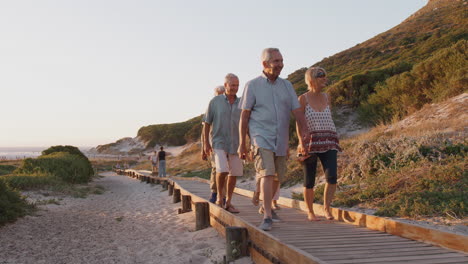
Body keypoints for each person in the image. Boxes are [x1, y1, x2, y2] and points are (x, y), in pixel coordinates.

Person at [238, 48, 310, 231]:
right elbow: (244, 116)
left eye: (281, 60)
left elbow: (297, 112)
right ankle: (268, 215)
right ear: (265, 64)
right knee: (268, 172)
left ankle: (263, 199)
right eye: (276, 61)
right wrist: (242, 144)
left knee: (278, 176)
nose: (280, 64)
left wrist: (305, 132)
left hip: (281, 138)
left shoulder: (287, 85)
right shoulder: (252, 85)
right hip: (260, 136)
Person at [296, 66, 342, 221]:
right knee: (309, 179)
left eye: (325, 75)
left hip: (329, 140)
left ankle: (326, 208)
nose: (325, 78)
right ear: (312, 79)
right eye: (321, 75)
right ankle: (310, 211)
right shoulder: (303, 99)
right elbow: (299, 123)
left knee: (332, 177)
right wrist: (301, 142)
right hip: (310, 143)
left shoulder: (328, 97)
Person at [203, 73, 243, 213]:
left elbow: (246, 124)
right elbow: (207, 123)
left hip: (236, 143)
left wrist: (247, 144)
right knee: (222, 169)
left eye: (237, 85)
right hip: (219, 142)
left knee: (234, 173)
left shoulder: (242, 102)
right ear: (226, 85)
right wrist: (205, 144)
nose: (235, 88)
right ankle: (220, 197)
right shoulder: (215, 102)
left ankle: (229, 202)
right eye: (232, 85)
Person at [201, 85, 226, 203]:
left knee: (226, 169)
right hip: (214, 142)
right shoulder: (211, 106)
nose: (220, 96)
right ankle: (214, 193)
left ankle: (222, 195)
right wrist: (204, 147)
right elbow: (204, 130)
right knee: (216, 168)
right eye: (218, 94)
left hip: (229, 143)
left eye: (222, 93)